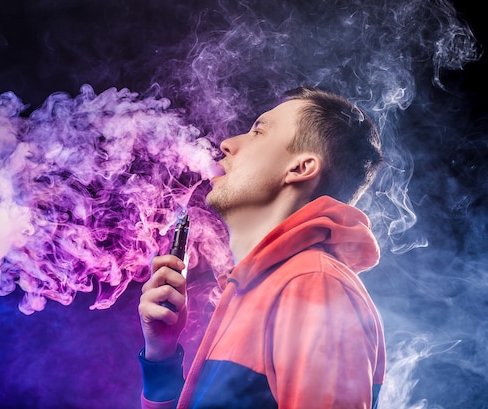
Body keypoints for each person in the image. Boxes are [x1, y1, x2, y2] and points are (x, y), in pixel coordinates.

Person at [137, 86, 386, 409]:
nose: (227, 144)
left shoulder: (312, 284)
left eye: (258, 132)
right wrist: (162, 355)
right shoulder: (260, 289)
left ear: (300, 168)